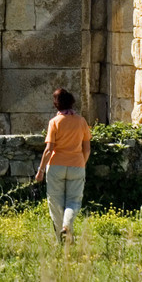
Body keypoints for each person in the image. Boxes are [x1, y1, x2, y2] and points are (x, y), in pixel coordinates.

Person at [34, 87, 91, 243]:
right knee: (74, 201)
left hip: (56, 166)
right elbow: (87, 149)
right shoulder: (81, 121)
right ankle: (67, 227)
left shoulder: (54, 122)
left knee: (55, 202)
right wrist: (81, 164)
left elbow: (48, 150)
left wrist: (40, 171)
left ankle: (62, 240)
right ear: (72, 103)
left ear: (56, 104)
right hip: (77, 165)